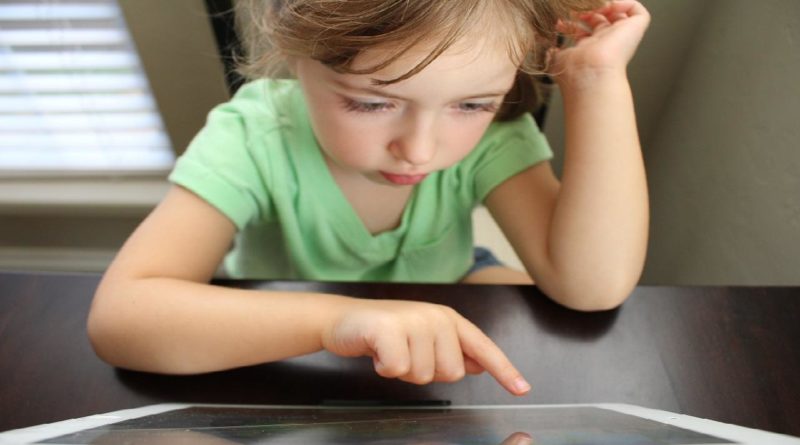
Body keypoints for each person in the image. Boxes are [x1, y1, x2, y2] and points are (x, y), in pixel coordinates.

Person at [87, 0, 650, 396]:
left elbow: (591, 286)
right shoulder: (253, 135)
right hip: (280, 317)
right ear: (295, 56)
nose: (420, 150)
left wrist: (596, 80)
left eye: (473, 104)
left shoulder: (499, 135)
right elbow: (120, 319)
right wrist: (340, 321)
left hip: (448, 282)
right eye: (372, 104)